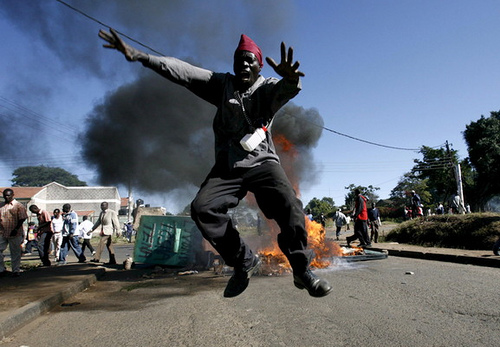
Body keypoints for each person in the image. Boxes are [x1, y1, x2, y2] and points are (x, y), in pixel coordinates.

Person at [99, 29, 332, 298]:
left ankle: (302, 269)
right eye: (239, 60)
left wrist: (290, 79)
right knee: (202, 208)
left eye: (250, 60)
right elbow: (184, 72)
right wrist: (141, 56)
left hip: (263, 164)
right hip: (228, 167)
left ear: (258, 66)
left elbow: (286, 89)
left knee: (290, 205)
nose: (244, 64)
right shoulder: (221, 85)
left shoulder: (267, 88)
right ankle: (244, 261)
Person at [0, 189, 28, 277]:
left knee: (15, 252)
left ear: (13, 195)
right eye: (5, 195)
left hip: (15, 233)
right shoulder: (1, 205)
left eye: (8, 195)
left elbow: (22, 218)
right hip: (2, 232)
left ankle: (15, 270)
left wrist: (15, 229)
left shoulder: (18, 206)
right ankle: (1, 269)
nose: (6, 197)